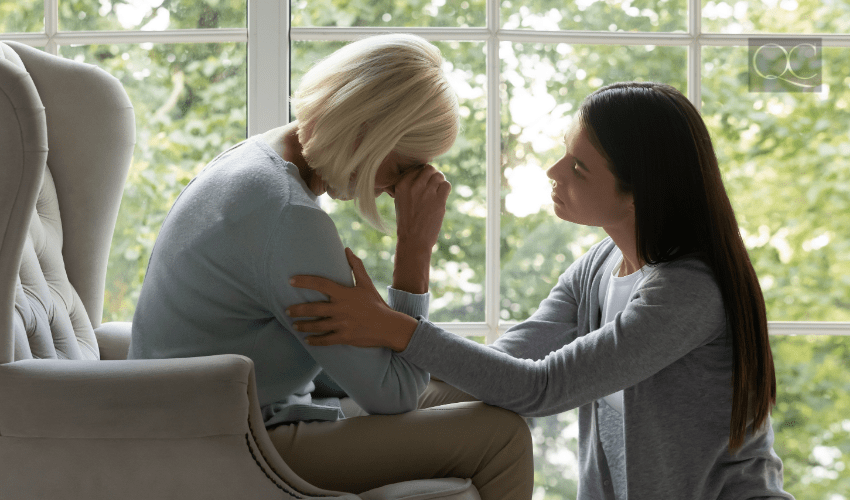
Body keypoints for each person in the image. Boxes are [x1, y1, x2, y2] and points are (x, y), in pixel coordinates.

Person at [288, 82, 796, 499]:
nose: (553, 173)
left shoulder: (688, 292)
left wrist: (398, 330)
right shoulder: (599, 267)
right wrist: (335, 395)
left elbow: (541, 389)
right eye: (564, 155)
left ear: (641, 192)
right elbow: (499, 372)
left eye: (579, 168)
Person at [128, 33, 533, 499]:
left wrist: (388, 332)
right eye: (402, 170)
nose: (396, 190)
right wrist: (415, 248)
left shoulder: (256, 160)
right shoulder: (288, 215)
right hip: (230, 443)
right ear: (366, 133)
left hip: (214, 420)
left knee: (471, 394)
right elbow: (395, 396)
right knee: (502, 437)